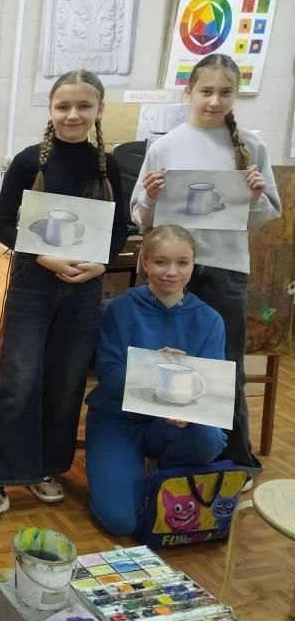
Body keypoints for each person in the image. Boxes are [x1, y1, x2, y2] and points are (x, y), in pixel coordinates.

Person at [0, 69, 128, 528]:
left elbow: (119, 229)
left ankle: (45, 468)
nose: (73, 115)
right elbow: (2, 224)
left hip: (83, 289)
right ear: (51, 110)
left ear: (99, 111)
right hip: (32, 285)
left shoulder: (107, 166)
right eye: (63, 106)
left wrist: (100, 265)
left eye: (84, 106)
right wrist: (44, 257)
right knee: (20, 381)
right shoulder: (27, 162)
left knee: (66, 381)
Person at [131, 53, 281, 478]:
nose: (215, 101)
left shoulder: (251, 146)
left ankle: (234, 461)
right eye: (206, 91)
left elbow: (265, 214)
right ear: (189, 92)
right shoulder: (165, 145)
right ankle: (162, 449)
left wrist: (256, 197)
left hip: (226, 268)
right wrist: (151, 196)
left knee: (225, 367)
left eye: (225, 93)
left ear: (236, 95)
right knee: (161, 359)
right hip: (169, 270)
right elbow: (140, 217)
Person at [85, 225, 227, 535]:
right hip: (118, 418)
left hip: (171, 423)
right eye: (161, 262)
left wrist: (186, 413)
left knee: (208, 439)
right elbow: (110, 376)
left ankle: (162, 473)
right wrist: (151, 367)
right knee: (120, 522)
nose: (171, 272)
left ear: (193, 264)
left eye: (182, 262)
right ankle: (130, 473)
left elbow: (210, 387)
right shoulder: (119, 310)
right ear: (145, 262)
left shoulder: (209, 320)